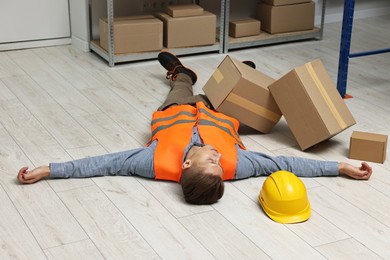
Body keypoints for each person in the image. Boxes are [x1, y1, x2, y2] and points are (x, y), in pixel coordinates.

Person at [17, 52, 373, 205]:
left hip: (176, 111)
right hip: (219, 114)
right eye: (220, 162)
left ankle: (183, 73)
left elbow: (103, 163)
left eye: (210, 161)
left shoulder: (151, 162)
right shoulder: (240, 167)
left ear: (186, 166)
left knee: (183, 89)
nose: (219, 155)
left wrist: (49, 169)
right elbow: (289, 165)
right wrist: (340, 167)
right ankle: (238, 73)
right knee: (230, 95)